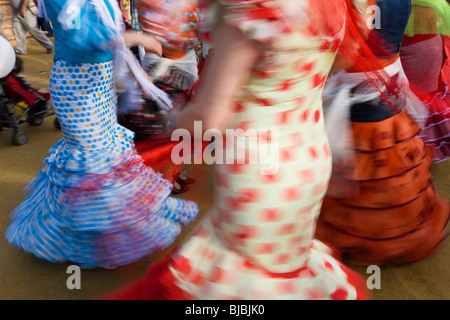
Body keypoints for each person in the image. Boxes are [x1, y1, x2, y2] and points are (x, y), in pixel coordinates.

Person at [100, 0, 375, 300]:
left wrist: (173, 117)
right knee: (281, 273)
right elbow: (340, 64)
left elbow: (209, 120)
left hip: (257, 169)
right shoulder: (335, 5)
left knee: (241, 281)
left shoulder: (254, 8)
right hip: (308, 159)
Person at [5, 0, 199, 269]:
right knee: (92, 163)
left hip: (99, 82)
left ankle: (97, 234)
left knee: (107, 157)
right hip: (77, 88)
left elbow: (107, 25)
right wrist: (130, 37)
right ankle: (85, 240)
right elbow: (79, 39)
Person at [315, 0, 449, 266]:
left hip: (361, 98)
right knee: (387, 162)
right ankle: (396, 230)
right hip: (388, 88)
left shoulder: (359, 5)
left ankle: (363, 237)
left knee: (365, 164)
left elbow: (343, 55)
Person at [119, 0, 202, 194]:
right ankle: (162, 179)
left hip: (186, 64)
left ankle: (172, 173)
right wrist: (150, 73)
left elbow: (196, 32)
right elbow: (149, 36)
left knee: (182, 126)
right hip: (159, 65)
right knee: (164, 127)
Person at [400, 0, 450, 162]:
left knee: (412, 101)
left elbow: (373, 28)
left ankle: (415, 150)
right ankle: (418, 149)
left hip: (410, 50)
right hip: (427, 47)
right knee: (418, 99)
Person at [2, 55, 50, 121]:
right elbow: (25, 95)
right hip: (20, 101)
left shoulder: (5, 78)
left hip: (9, 98)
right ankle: (39, 114)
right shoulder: (11, 81)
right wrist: (39, 93)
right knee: (42, 95)